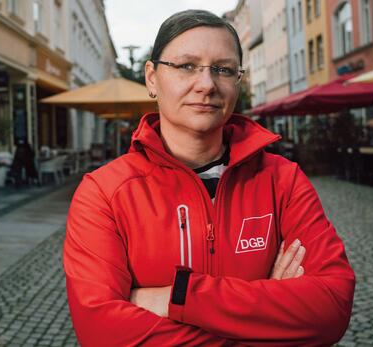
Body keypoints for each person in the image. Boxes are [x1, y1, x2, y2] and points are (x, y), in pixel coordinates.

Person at [63, 9, 355, 346]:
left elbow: (332, 306)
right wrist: (266, 321)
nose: (206, 84)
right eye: (187, 66)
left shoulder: (282, 180)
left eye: (223, 69)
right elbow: (102, 333)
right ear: (152, 78)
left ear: (237, 82)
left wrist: (179, 297)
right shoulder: (105, 193)